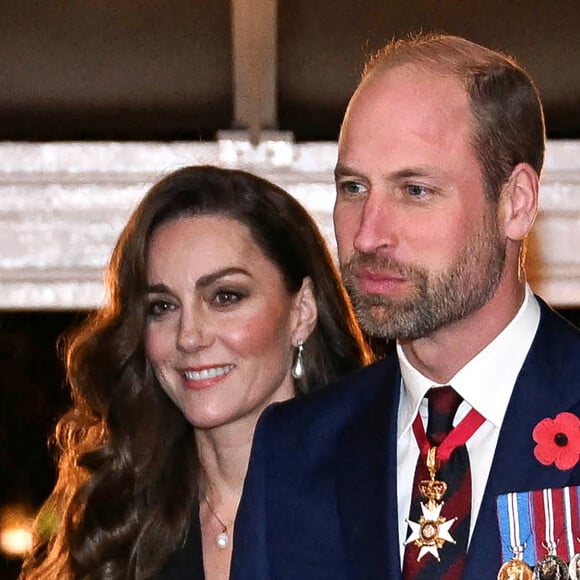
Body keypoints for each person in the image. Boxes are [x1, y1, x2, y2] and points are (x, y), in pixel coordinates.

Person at [230, 33, 580, 580]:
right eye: (353, 188)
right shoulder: (293, 455)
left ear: (516, 203)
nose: (368, 235)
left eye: (414, 190)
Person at [19, 165, 373, 580]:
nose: (189, 336)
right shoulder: (122, 524)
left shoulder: (377, 503)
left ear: (302, 311)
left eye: (225, 297)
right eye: (162, 307)